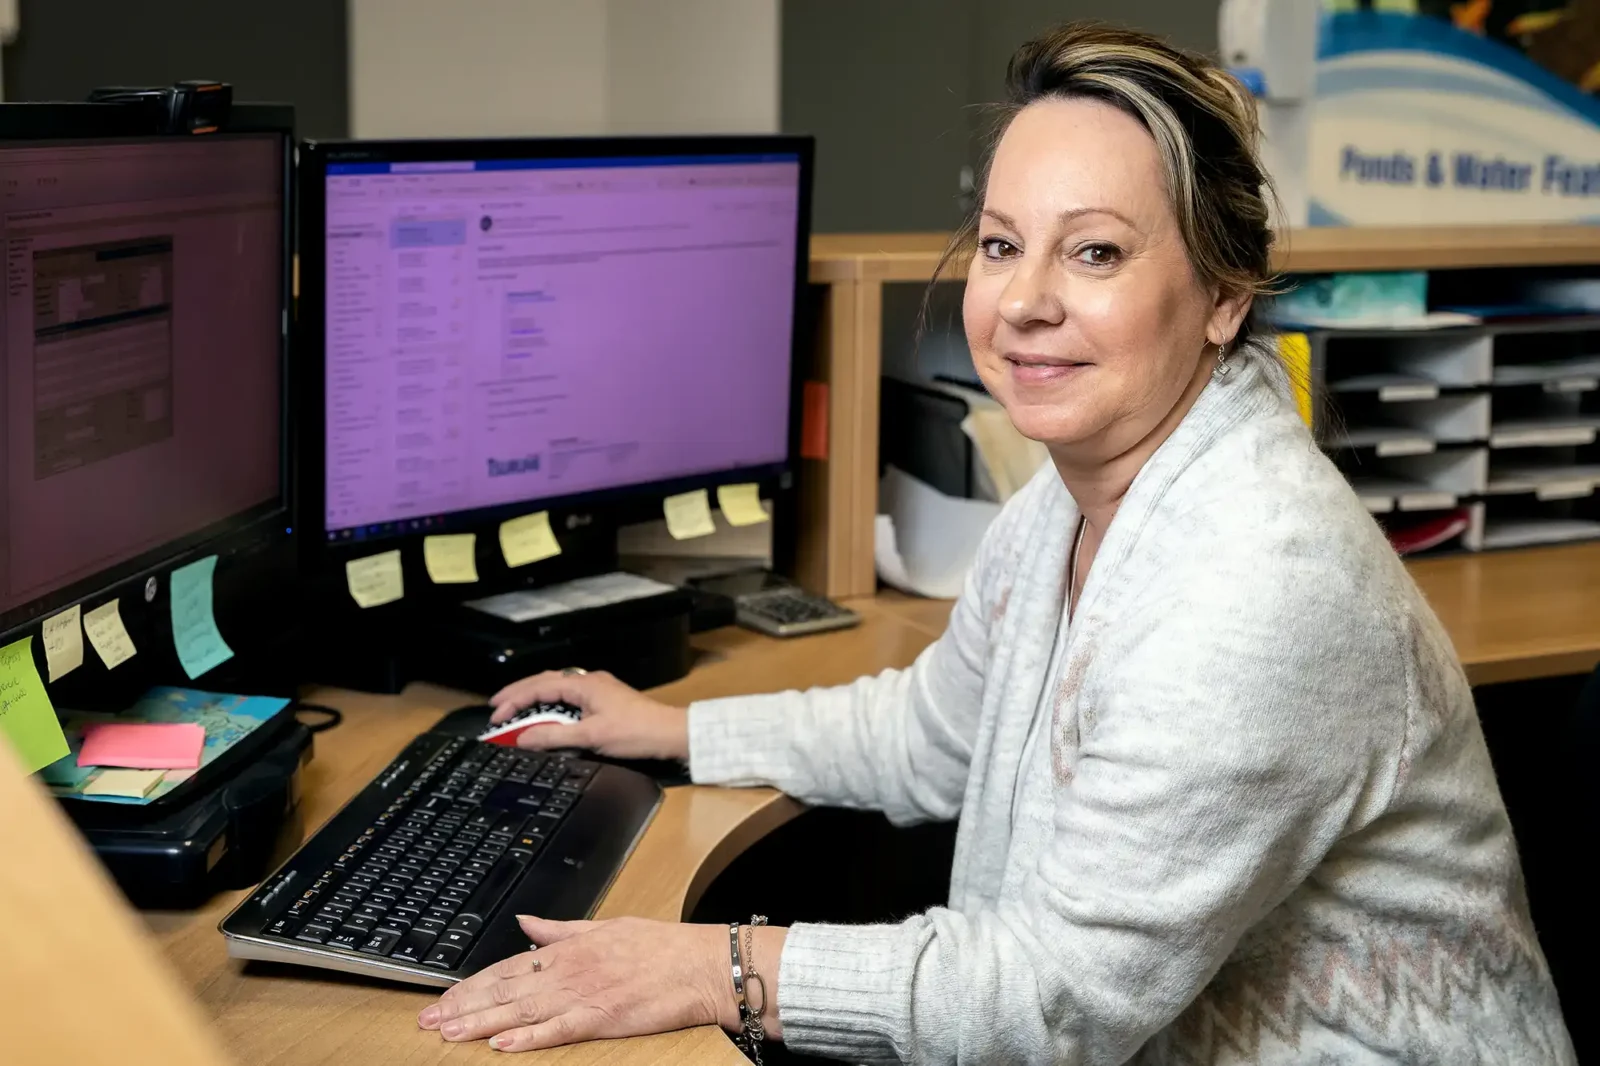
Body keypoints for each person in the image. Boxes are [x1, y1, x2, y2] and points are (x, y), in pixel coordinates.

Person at [417, 22, 1575, 1064]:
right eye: (1000, 243)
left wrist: (705, 968)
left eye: (1096, 253)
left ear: (1223, 296)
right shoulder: (1067, 498)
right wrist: (670, 726)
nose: (1021, 302)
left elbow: (1055, 1000)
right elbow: (934, 736)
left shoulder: (1258, 587)